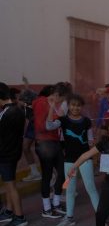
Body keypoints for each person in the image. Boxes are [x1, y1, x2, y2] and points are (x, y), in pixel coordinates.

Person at [46, 94, 99, 226]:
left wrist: (94, 155)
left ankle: (101, 217)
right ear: (69, 106)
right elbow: (49, 126)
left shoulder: (86, 121)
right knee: (69, 189)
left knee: (91, 188)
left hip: (85, 159)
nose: (75, 108)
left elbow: (90, 140)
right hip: (69, 160)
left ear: (82, 107)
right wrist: (52, 108)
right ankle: (69, 218)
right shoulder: (63, 120)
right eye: (73, 105)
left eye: (78, 105)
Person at [33, 84, 68, 218]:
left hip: (53, 142)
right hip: (45, 143)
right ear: (55, 95)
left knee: (61, 173)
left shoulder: (46, 103)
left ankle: (56, 203)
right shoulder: (43, 103)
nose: (60, 101)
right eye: (61, 98)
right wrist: (58, 117)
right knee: (48, 175)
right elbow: (45, 126)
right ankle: (47, 208)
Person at [0, 82, 28, 226]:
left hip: (6, 153)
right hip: (13, 151)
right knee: (8, 183)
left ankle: (19, 216)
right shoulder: (17, 110)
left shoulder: (7, 113)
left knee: (10, 185)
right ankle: (10, 211)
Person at [19, 89, 41, 182]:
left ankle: (52, 173)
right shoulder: (23, 107)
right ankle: (34, 172)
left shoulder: (36, 105)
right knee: (25, 147)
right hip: (32, 125)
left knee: (41, 151)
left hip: (39, 125)